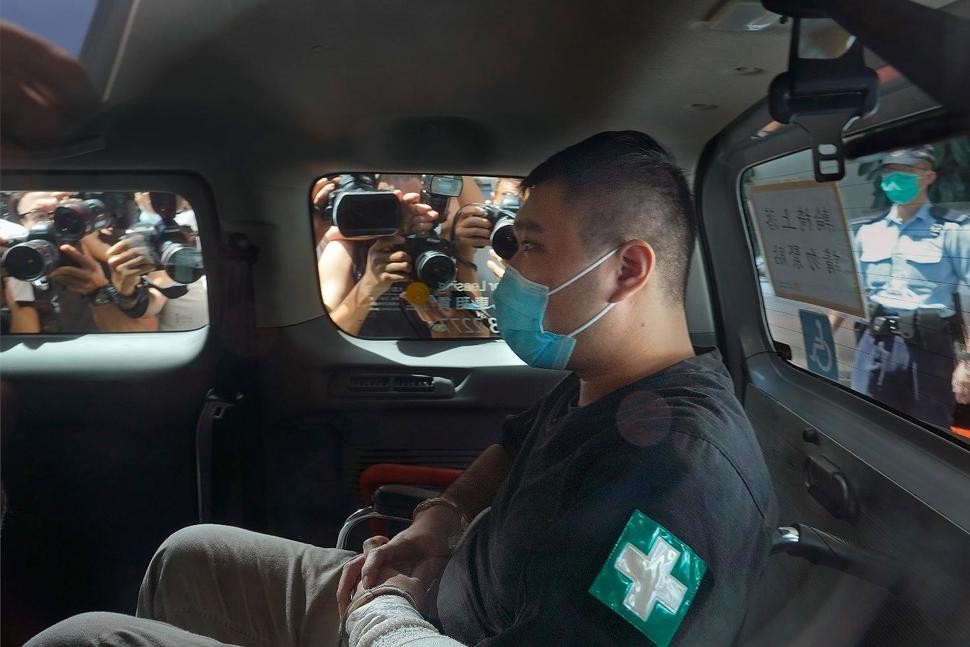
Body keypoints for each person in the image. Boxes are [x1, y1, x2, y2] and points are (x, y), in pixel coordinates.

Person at [26, 131, 776, 647]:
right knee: (188, 554)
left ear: (629, 270)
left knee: (83, 640)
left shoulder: (681, 476)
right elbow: (513, 449)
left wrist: (385, 608)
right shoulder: (604, 380)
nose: (510, 273)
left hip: (415, 627)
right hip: (429, 597)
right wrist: (439, 522)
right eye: (509, 246)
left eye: (533, 248)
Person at [831, 146, 970, 430]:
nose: (895, 178)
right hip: (874, 343)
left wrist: (967, 362)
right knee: (866, 424)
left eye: (906, 171)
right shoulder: (868, 231)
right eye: (889, 171)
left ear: (929, 176)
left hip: (928, 350)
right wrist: (821, 336)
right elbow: (848, 294)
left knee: (927, 433)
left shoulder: (954, 230)